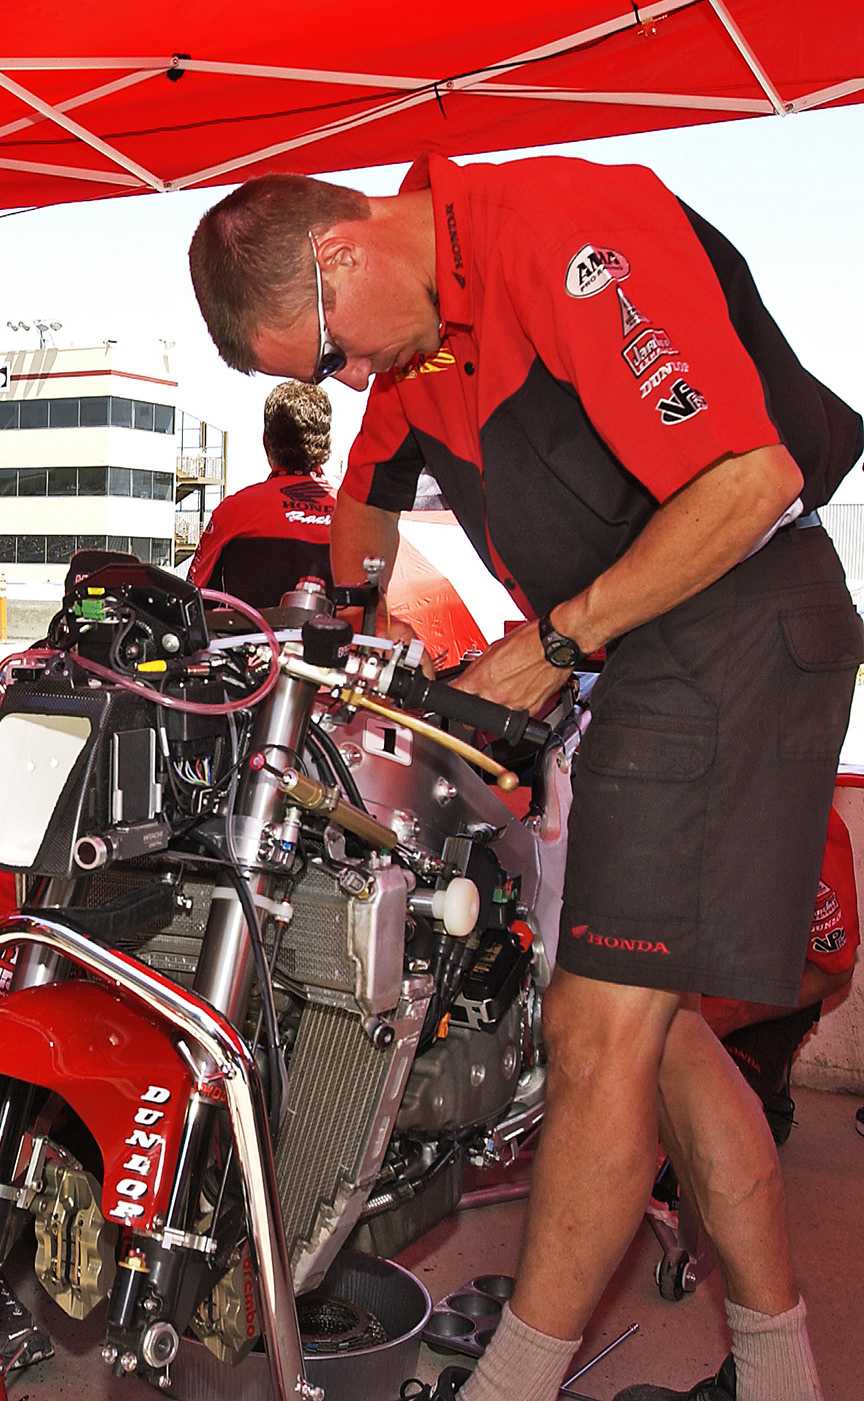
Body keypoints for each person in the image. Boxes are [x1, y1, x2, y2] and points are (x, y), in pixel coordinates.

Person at [189, 160, 861, 1401]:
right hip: (635, 650)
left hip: (726, 614)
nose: (346, 383)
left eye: (327, 354)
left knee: (593, 1031)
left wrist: (554, 643)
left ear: (341, 253)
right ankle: (778, 1371)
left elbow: (749, 478)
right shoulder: (420, 347)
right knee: (654, 1041)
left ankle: (512, 1385)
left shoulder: (563, 232)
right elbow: (366, 504)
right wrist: (342, 625)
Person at [702, 807, 856, 1143]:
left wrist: (731, 1013)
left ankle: (767, 1077)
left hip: (766, 984)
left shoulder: (807, 820)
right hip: (678, 971)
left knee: (716, 1131)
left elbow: (834, 971)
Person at [185, 380, 335, 607]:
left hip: (251, 639)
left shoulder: (234, 512)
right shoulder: (358, 516)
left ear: (266, 442)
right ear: (328, 444)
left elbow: (193, 599)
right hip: (341, 640)